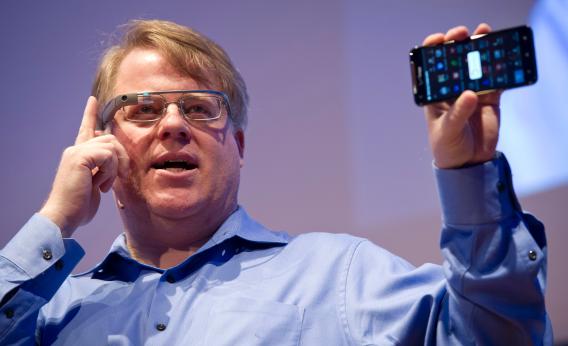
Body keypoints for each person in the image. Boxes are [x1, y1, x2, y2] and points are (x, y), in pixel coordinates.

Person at [0, 19, 551, 345]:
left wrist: (468, 175)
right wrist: (56, 219)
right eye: (142, 111)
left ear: (237, 149)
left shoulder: (340, 275)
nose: (172, 125)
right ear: (103, 147)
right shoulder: (51, 311)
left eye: (199, 108)